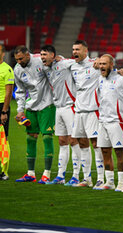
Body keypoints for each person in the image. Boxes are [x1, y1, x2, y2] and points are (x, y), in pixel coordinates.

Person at [39, 45, 82, 186]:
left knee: (74, 141)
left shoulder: (65, 64)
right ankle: (60, 176)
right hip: (58, 109)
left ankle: (76, 175)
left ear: (53, 55)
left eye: (45, 54)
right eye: (41, 55)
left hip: (70, 106)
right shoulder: (46, 68)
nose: (42, 57)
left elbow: (81, 61)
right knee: (62, 141)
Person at [14, 45, 55, 184]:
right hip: (31, 106)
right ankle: (31, 173)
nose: (19, 62)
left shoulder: (40, 60)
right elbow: (19, 91)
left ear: (27, 55)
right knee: (31, 138)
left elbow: (54, 67)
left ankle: (46, 174)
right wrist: (20, 110)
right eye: (16, 59)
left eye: (21, 59)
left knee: (47, 137)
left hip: (47, 104)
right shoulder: (18, 69)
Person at [70, 40, 104, 188]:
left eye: (77, 49)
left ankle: (101, 178)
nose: (74, 52)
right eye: (73, 50)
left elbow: (113, 69)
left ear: (85, 51)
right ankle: (87, 178)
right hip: (78, 110)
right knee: (82, 144)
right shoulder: (71, 66)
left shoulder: (96, 64)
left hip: (93, 110)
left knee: (96, 144)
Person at [95, 54, 123, 191]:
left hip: (117, 121)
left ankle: (121, 183)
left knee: (119, 152)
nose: (101, 66)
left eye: (104, 64)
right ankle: (109, 182)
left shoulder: (121, 80)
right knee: (104, 151)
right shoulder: (100, 80)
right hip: (103, 121)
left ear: (111, 65)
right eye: (100, 64)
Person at [0, 44, 14, 180]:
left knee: (3, 140)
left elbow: (9, 92)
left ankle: (4, 171)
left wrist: (4, 111)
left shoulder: (7, 70)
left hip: (1, 106)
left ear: (3, 53)